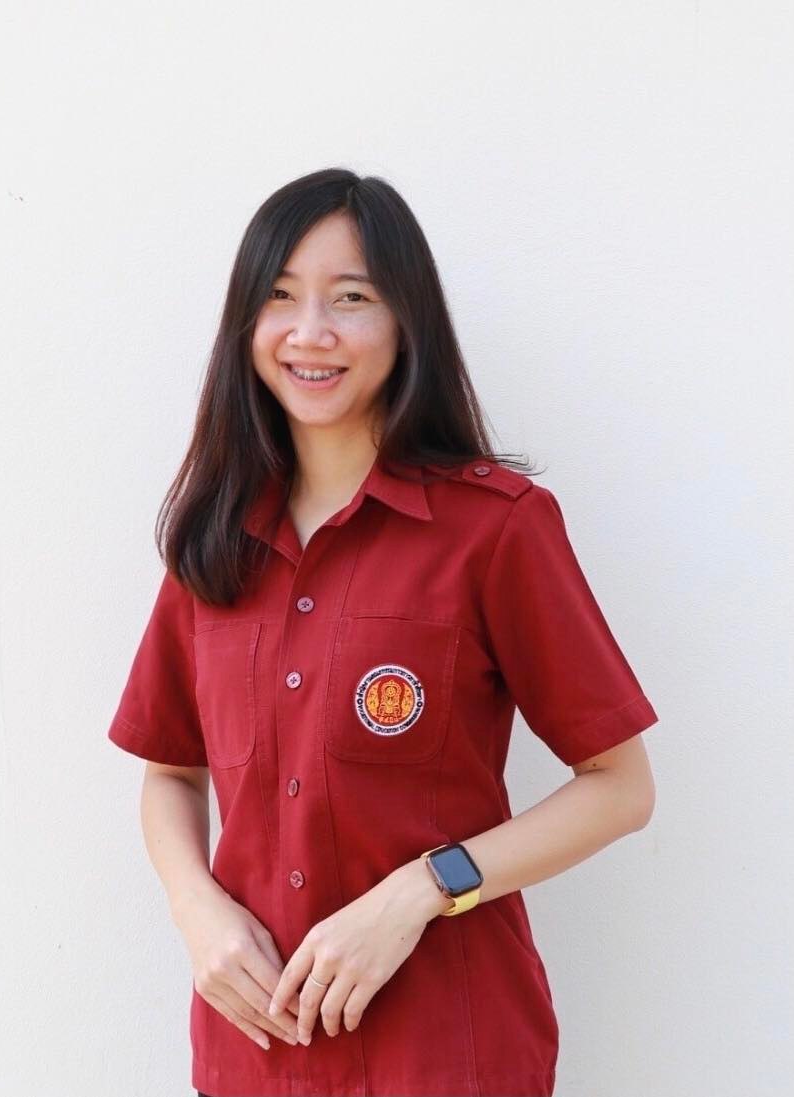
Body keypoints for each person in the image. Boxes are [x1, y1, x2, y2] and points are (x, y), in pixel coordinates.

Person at [106, 167, 659, 1097]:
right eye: (280, 296)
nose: (310, 331)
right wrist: (196, 910)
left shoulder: (496, 529)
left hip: (446, 1052)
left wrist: (419, 890)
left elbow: (619, 788)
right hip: (255, 1055)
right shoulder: (214, 537)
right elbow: (169, 770)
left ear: (407, 321)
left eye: (351, 298)